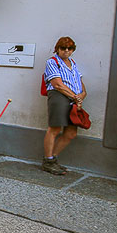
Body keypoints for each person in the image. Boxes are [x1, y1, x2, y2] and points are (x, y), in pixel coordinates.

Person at [41, 36, 86, 175]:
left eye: (70, 48)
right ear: (57, 49)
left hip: (74, 99)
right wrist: (75, 96)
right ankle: (48, 160)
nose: (66, 51)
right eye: (63, 48)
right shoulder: (52, 62)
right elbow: (57, 84)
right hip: (59, 97)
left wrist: (82, 94)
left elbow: (79, 80)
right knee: (54, 128)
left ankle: (53, 158)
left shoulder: (72, 62)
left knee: (71, 132)